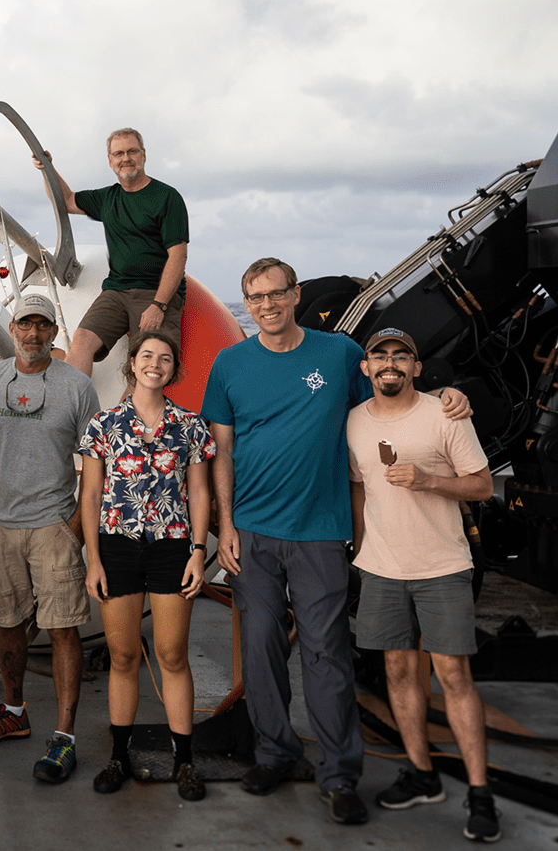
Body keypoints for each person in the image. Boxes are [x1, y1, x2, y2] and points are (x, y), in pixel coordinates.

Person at [201, 258, 470, 826]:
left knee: (327, 655)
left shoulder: (340, 353)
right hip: (251, 530)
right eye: (255, 297)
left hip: (322, 530)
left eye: (276, 293)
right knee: (261, 648)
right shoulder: (229, 365)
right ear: (245, 304)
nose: (267, 305)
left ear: (296, 294)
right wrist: (224, 527)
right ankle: (275, 752)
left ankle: (340, 773)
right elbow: (221, 452)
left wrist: (450, 396)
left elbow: (388, 400)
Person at [347, 328, 499, 843]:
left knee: (454, 676)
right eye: (379, 356)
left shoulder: (444, 414)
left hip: (441, 567)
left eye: (401, 356)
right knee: (397, 671)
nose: (389, 364)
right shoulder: (354, 422)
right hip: (383, 569)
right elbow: (360, 489)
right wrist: (360, 552)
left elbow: (482, 484)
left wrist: (429, 480)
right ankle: (423, 773)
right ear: (366, 368)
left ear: (415, 367)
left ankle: (480, 793)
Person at [0, 292, 101, 784]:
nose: (33, 334)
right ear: (13, 327)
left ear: (53, 331)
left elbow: (93, 465)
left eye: (43, 325)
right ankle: (14, 711)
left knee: (63, 628)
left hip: (54, 526)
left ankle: (64, 738)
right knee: (7, 622)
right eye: (25, 324)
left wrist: (76, 528)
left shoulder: (78, 387)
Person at [79, 331, 214, 801]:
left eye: (165, 359)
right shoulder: (104, 424)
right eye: (146, 356)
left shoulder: (190, 425)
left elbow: (199, 491)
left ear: (174, 369)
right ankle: (119, 754)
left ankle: (185, 761)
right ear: (132, 364)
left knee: (172, 654)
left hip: (172, 548)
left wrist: (199, 549)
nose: (155, 364)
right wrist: (93, 558)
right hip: (116, 547)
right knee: (122, 656)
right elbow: (91, 494)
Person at [35, 128, 188, 377]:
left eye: (131, 151)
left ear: (143, 155)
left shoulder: (166, 197)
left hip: (154, 293)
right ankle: (73, 411)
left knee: (146, 363)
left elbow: (178, 256)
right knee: (82, 339)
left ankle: (124, 417)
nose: (125, 158)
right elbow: (65, 199)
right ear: (110, 160)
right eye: (118, 153)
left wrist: (158, 305)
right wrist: (47, 168)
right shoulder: (108, 198)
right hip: (116, 291)